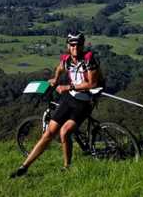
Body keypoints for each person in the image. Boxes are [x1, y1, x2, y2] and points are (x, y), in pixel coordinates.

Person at [10, 31, 100, 177]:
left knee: (64, 132)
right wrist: (56, 78)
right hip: (70, 98)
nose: (75, 48)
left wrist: (67, 87)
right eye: (72, 45)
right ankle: (24, 167)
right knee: (49, 133)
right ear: (68, 45)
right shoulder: (66, 60)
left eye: (78, 45)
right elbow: (59, 68)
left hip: (85, 100)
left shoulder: (89, 59)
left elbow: (92, 83)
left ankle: (67, 167)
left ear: (82, 45)